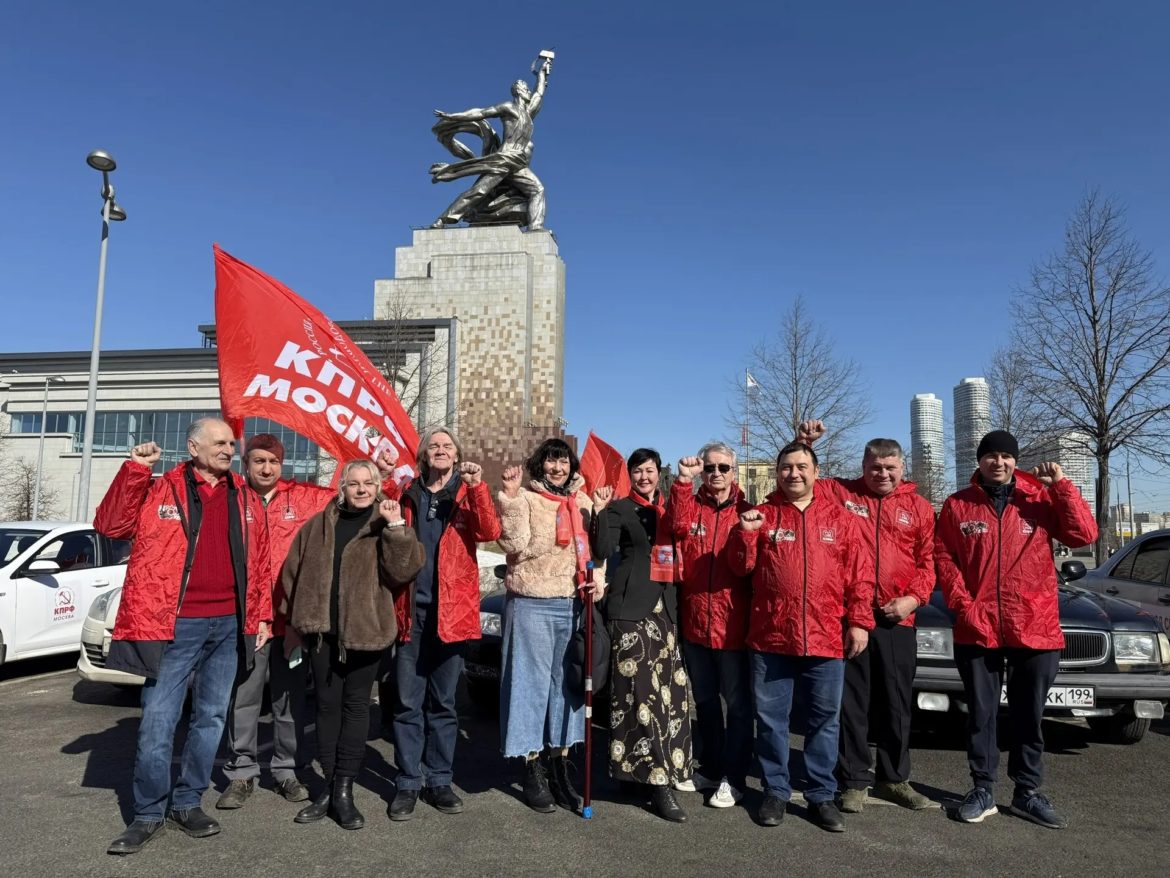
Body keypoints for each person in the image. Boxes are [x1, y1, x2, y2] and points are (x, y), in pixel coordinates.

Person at [97, 418, 272, 856]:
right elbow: (112, 526)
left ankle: (188, 802)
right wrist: (136, 471)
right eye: (219, 443)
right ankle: (148, 813)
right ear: (193, 447)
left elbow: (261, 561)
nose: (229, 450)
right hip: (174, 624)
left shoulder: (245, 495)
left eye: (231, 443)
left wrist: (262, 616)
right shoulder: (160, 488)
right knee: (158, 719)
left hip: (229, 624)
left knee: (210, 718)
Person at [217, 436, 399, 811]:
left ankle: (286, 770)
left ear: (282, 465)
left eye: (273, 461)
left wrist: (382, 472)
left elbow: (359, 500)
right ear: (245, 464)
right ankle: (241, 773)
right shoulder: (233, 500)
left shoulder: (304, 498)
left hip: (294, 621)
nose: (267, 468)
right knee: (245, 699)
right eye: (258, 461)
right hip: (249, 619)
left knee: (290, 702)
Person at [935, 430, 1096, 829]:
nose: (999, 462)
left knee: (1029, 715)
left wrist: (1061, 486)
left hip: (1034, 624)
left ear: (1015, 461)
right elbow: (945, 557)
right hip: (978, 626)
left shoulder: (1039, 498)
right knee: (981, 714)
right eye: (991, 455)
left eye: (1006, 456)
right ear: (979, 461)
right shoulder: (958, 504)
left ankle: (1027, 792)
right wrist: (964, 605)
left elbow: (1083, 534)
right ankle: (982, 789)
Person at [728, 442, 874, 832]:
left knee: (824, 721)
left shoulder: (840, 519)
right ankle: (775, 791)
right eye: (787, 467)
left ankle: (821, 795)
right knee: (771, 721)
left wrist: (859, 622)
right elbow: (740, 569)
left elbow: (859, 576)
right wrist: (745, 535)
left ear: (815, 471)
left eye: (801, 466)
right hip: (772, 637)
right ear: (777, 473)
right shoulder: (762, 517)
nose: (794, 473)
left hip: (825, 638)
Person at [796, 421, 936, 813]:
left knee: (896, 703)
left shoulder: (919, 508)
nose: (883, 474)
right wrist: (804, 443)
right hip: (848, 618)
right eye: (875, 467)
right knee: (851, 703)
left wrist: (912, 600)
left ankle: (894, 779)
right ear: (863, 466)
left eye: (890, 467)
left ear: (902, 467)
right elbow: (802, 479)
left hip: (897, 620)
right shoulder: (842, 494)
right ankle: (854, 780)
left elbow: (928, 564)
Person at [279, 459, 425, 830]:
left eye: (368, 483)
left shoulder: (383, 524)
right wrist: (294, 621)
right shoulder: (318, 525)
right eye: (354, 483)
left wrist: (396, 528)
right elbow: (292, 574)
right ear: (342, 487)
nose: (361, 489)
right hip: (321, 633)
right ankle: (328, 789)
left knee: (356, 708)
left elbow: (404, 571)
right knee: (326, 708)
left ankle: (344, 790)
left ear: (378, 488)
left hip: (365, 633)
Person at [388, 428, 502, 821]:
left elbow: (490, 532)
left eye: (447, 446)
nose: (440, 450)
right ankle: (407, 782)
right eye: (433, 445)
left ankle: (438, 780)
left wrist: (479, 487)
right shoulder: (406, 491)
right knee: (407, 702)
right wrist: (385, 476)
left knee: (443, 703)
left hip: (452, 613)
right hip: (411, 611)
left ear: (456, 456)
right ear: (423, 455)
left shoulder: (468, 492)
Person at [496, 438, 605, 812]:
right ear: (540, 465)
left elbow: (595, 553)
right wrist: (510, 500)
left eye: (563, 462)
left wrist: (597, 582)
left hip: (572, 603)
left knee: (568, 688)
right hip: (532, 602)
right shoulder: (526, 498)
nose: (557, 468)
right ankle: (532, 766)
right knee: (529, 686)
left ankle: (560, 765)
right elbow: (513, 546)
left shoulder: (584, 502)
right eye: (551, 461)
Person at [590, 448, 693, 823]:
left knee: (670, 696)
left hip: (666, 611)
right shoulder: (619, 508)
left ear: (659, 472)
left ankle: (638, 773)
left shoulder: (671, 507)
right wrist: (599, 512)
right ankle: (657, 782)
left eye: (650, 470)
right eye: (637, 471)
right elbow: (602, 549)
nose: (644, 477)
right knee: (636, 695)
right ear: (630, 475)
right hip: (630, 610)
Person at [668, 444, 754, 809]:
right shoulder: (692, 505)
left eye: (723, 467)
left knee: (737, 706)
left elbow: (747, 566)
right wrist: (681, 482)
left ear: (734, 471)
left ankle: (734, 776)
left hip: (732, 626)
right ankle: (712, 766)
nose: (716, 473)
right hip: (696, 624)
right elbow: (675, 526)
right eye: (709, 467)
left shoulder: (747, 511)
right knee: (704, 702)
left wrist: (747, 533)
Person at [430, 54, 552, 229]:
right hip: (504, 158)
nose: (528, 91)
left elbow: (539, 93)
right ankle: (442, 220)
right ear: (518, 91)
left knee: (537, 189)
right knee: (479, 191)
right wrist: (453, 116)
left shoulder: (528, 113)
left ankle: (535, 227)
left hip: (518, 163)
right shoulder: (509, 108)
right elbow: (481, 113)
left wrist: (542, 74)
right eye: (526, 88)